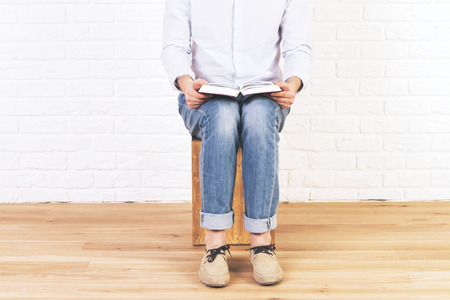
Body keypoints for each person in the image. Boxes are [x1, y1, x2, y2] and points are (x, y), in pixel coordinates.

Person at [161, 0, 312, 287]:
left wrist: (292, 85)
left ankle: (261, 242)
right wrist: (185, 83)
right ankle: (215, 244)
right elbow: (174, 46)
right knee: (223, 117)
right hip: (204, 96)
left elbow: (297, 47)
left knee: (257, 119)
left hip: (264, 94)